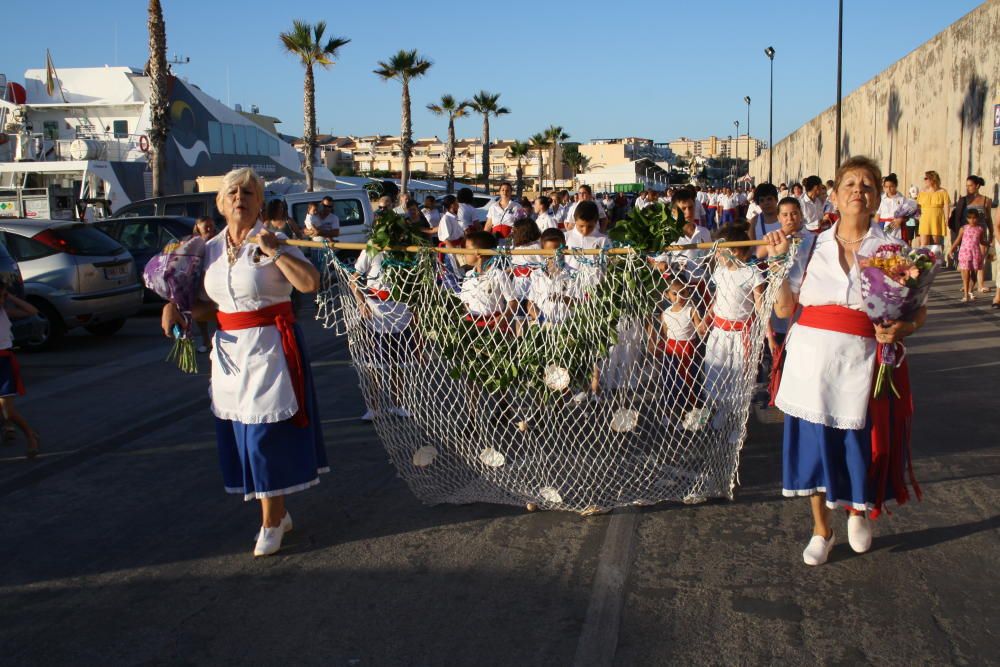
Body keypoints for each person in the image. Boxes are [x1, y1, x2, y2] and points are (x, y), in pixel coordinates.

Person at [764, 156, 926, 566]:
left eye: (867, 185)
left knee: (857, 445)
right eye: (850, 183)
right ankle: (821, 529)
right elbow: (785, 310)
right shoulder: (809, 243)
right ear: (833, 195)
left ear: (876, 199)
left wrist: (900, 330)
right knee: (813, 447)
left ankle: (857, 509)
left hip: (861, 360)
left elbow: (916, 311)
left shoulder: (890, 249)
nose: (858, 190)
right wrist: (778, 264)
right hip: (810, 360)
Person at [160, 167, 326, 558]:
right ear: (220, 202)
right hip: (229, 352)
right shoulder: (208, 249)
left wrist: (277, 251)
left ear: (260, 203)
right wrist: (177, 309)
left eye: (249, 192)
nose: (240, 197)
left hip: (270, 348)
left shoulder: (276, 239)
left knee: (263, 437)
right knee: (242, 435)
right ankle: (278, 512)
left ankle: (270, 521)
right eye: (232, 191)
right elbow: (210, 308)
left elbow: (309, 284)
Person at [702, 226, 764, 431]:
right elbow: (718, 300)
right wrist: (705, 319)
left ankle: (739, 423)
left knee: (739, 379)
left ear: (735, 250)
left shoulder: (751, 273)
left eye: (720, 250)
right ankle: (723, 410)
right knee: (717, 374)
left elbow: (759, 304)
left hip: (741, 335)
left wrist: (766, 333)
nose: (716, 254)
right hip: (719, 332)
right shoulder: (719, 272)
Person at [351, 247, 414, 421]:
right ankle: (373, 408)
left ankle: (398, 405)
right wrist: (361, 302)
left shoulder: (407, 250)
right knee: (375, 366)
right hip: (376, 312)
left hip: (400, 311)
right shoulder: (371, 250)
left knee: (399, 365)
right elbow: (353, 280)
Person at [653, 279, 705, 428]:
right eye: (674, 294)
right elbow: (665, 332)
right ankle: (669, 414)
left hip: (688, 350)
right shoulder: (665, 313)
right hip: (671, 352)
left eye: (682, 293)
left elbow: (700, 329)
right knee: (671, 384)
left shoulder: (691, 310)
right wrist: (658, 347)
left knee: (692, 383)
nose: (679, 297)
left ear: (687, 292)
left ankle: (694, 416)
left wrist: (704, 325)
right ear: (668, 295)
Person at [0, 282, 40, 458]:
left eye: (3, 297)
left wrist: (11, 297)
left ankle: (30, 434)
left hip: (4, 362)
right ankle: (9, 428)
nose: (2, 300)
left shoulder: (5, 313)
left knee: (7, 409)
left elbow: (32, 311)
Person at [459, 232, 518, 328]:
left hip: (493, 323)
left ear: (478, 253)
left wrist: (504, 317)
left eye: (467, 248)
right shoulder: (468, 275)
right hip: (471, 324)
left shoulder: (498, 274)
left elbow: (513, 301)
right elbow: (465, 301)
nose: (464, 252)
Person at [527, 228, 577, 325]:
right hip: (543, 326)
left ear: (565, 248)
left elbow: (578, 302)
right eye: (550, 252)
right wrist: (542, 320)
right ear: (542, 251)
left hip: (567, 326)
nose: (555, 255)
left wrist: (561, 298)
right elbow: (530, 303)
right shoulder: (536, 274)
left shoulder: (573, 274)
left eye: (558, 250)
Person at [952, 175, 993, 293]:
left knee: (980, 260)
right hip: (967, 235)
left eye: (970, 185)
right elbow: (958, 218)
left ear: (977, 186)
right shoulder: (964, 200)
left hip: (981, 232)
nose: (968, 188)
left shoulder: (986, 200)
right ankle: (966, 284)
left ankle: (980, 285)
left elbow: (988, 218)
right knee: (966, 263)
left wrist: (991, 234)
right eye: (967, 186)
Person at [192, 217, 218, 353]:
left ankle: (219, 337)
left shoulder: (219, 241)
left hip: (216, 281)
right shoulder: (193, 243)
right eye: (206, 227)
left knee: (219, 311)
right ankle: (206, 340)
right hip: (199, 283)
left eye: (211, 226)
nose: (210, 229)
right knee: (200, 313)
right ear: (198, 228)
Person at [950, 209, 986, 302]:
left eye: (974, 218)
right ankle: (965, 295)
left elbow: (981, 241)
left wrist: (989, 243)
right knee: (966, 275)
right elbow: (958, 240)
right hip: (965, 253)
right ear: (967, 219)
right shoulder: (963, 228)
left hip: (975, 253)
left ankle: (970, 290)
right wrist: (951, 250)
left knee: (974, 275)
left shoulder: (980, 229)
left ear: (977, 218)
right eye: (970, 218)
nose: (972, 220)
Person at [916, 170, 950, 249]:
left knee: (935, 242)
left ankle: (935, 260)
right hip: (924, 218)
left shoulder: (942, 192)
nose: (924, 180)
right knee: (924, 242)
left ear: (933, 179)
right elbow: (918, 206)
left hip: (936, 218)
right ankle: (923, 260)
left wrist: (947, 217)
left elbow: (946, 205)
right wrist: (917, 217)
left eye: (926, 178)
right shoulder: (922, 192)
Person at [876, 173, 908, 241]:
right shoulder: (881, 198)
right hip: (882, 225)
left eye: (891, 186)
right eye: (886, 187)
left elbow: (906, 214)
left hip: (896, 225)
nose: (889, 189)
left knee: (895, 247)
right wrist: (874, 228)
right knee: (883, 245)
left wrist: (900, 219)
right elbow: (877, 214)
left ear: (895, 186)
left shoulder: (901, 198)